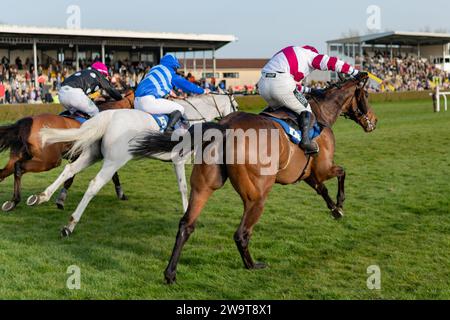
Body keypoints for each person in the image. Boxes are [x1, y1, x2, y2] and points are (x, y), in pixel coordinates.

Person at [258, 45, 367, 154]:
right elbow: (331, 62)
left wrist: (311, 91)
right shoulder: (311, 55)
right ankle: (305, 141)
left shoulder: (291, 54)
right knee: (306, 109)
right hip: (281, 84)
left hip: (263, 85)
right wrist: (355, 72)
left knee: (283, 110)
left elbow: (294, 86)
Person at [134, 54, 209, 132]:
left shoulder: (154, 69)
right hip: (148, 102)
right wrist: (203, 91)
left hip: (136, 102)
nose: (176, 70)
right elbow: (187, 85)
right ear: (174, 66)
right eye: (176, 68)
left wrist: (170, 92)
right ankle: (168, 133)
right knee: (180, 109)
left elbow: (153, 84)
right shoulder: (170, 73)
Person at [58, 62, 122, 117]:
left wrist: (93, 99)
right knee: (96, 112)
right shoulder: (99, 74)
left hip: (61, 94)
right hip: (74, 93)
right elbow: (109, 88)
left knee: (79, 114)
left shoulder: (85, 72)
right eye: (105, 75)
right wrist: (121, 98)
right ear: (102, 73)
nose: (105, 77)